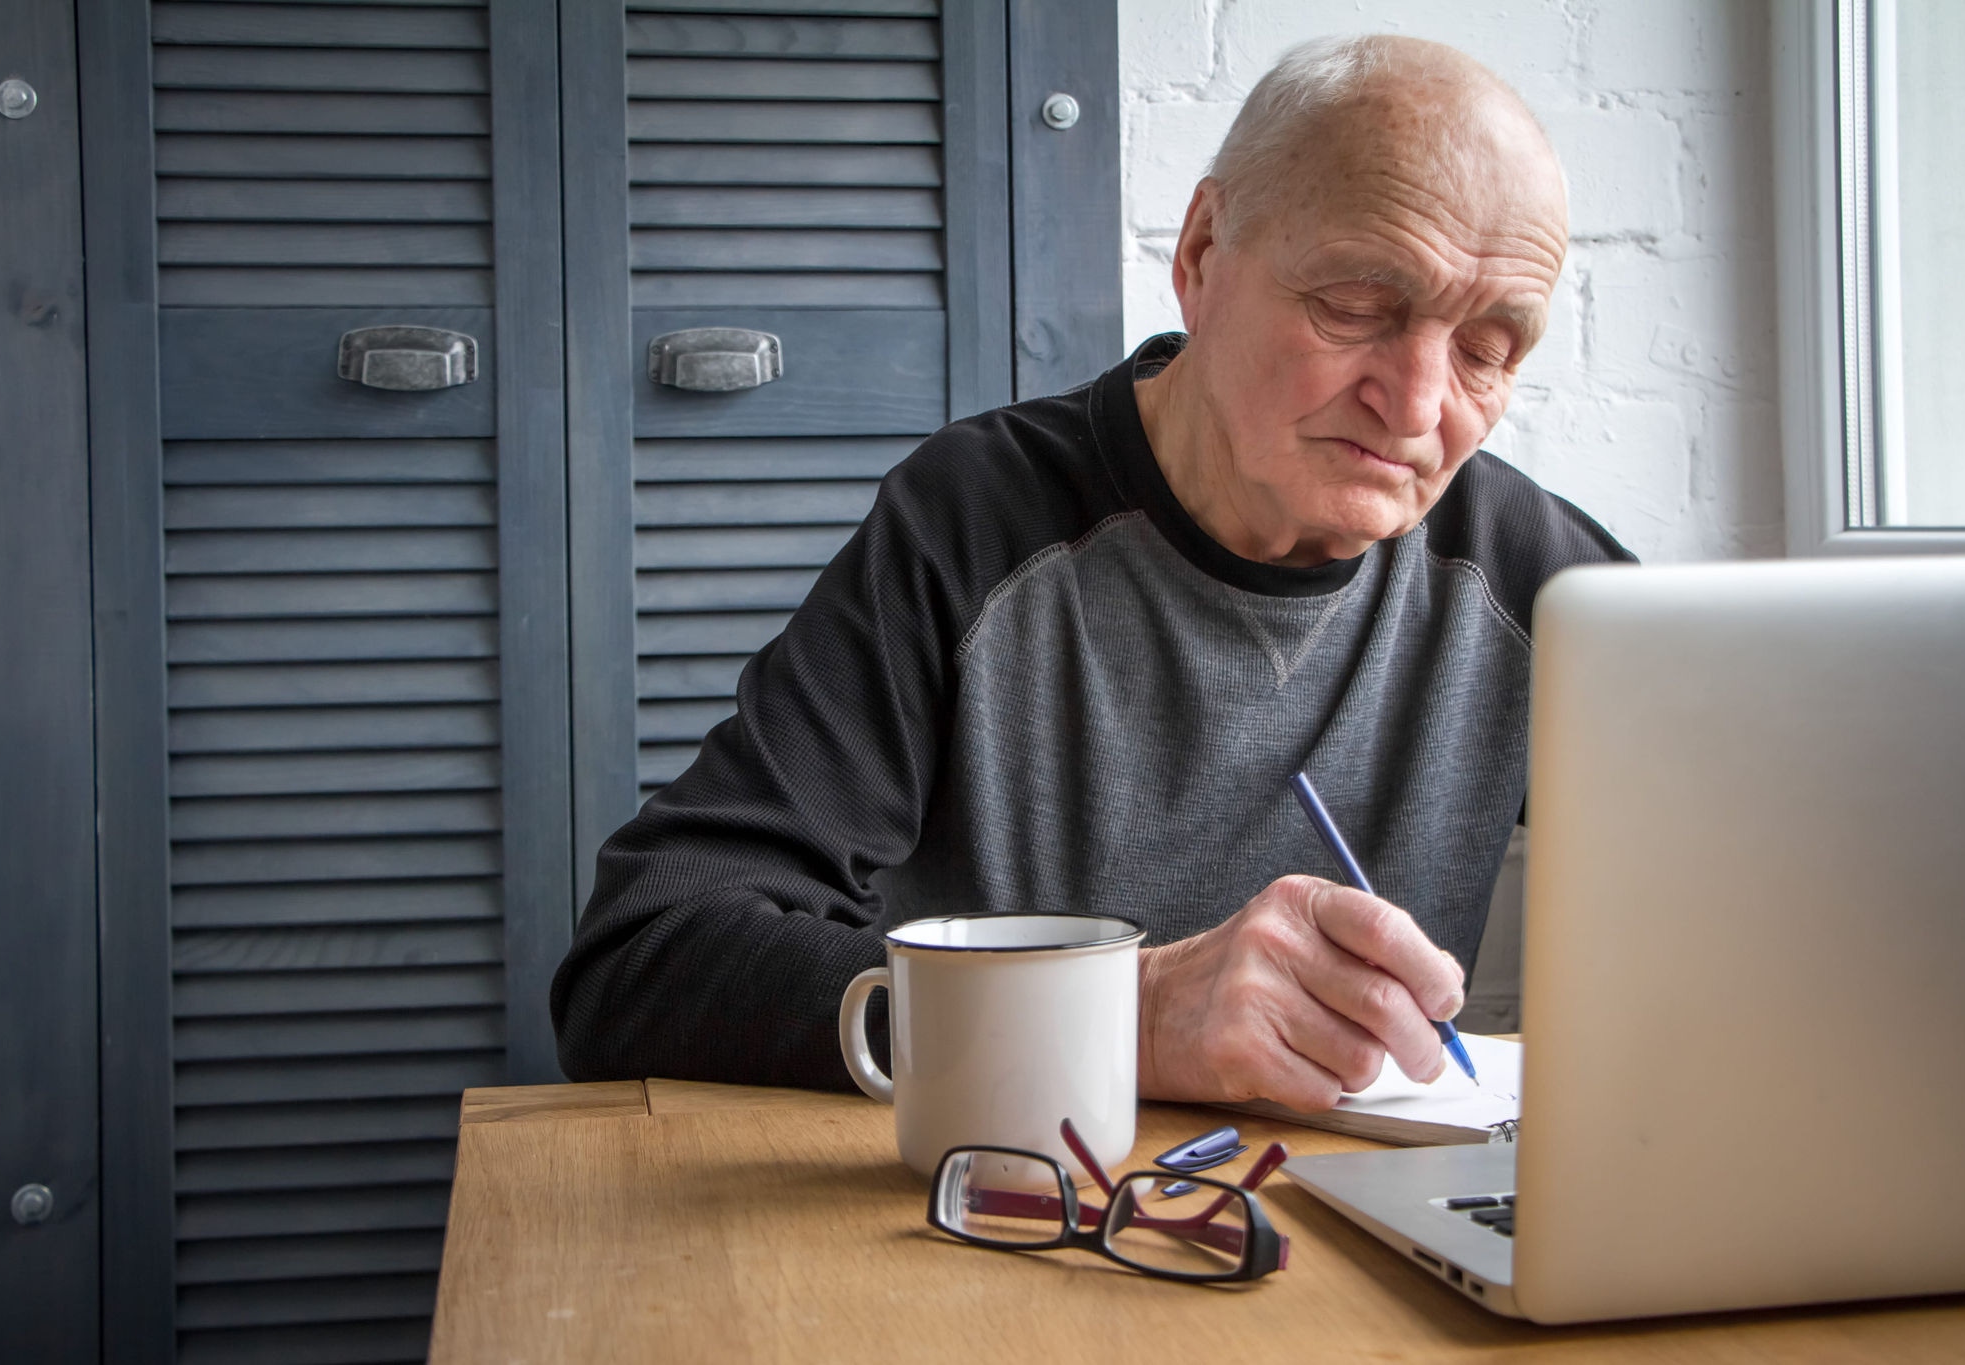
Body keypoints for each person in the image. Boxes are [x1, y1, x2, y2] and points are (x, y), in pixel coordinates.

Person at [551, 34, 1632, 1111]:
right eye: (1356, 306)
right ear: (1203, 253)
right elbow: (640, 959)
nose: (1414, 406)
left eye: (1485, 349)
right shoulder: (974, 521)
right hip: (1015, 1216)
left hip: (1355, 1226)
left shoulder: (1536, 582)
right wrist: (1120, 1015)